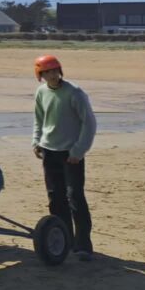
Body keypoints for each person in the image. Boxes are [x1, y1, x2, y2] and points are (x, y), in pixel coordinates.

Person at [32, 54, 96, 260]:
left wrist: (79, 151)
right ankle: (64, 240)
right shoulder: (41, 92)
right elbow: (39, 119)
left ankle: (83, 245)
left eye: (54, 71)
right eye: (47, 72)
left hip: (71, 154)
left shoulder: (74, 93)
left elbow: (89, 123)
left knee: (75, 196)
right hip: (49, 151)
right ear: (40, 75)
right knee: (55, 198)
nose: (52, 75)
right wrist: (36, 141)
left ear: (60, 71)